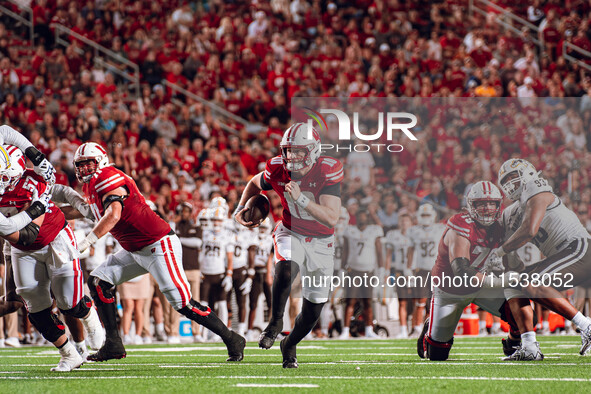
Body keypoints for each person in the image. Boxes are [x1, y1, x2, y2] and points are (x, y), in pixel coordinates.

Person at [67, 142, 245, 362]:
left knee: (182, 303)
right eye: (80, 165)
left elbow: (113, 215)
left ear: (101, 161)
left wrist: (87, 241)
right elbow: (82, 210)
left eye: (88, 164)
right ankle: (113, 344)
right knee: (99, 281)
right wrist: (48, 212)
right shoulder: (92, 185)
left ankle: (232, 338)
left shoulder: (107, 177)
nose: (84, 169)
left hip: (158, 244)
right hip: (135, 249)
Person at [235, 122, 343, 368]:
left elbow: (331, 217)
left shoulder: (328, 170)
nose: (291, 156)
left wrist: (301, 199)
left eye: (299, 151)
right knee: (287, 265)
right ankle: (275, 322)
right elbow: (254, 183)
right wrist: (241, 208)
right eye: (288, 150)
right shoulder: (276, 167)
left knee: (313, 312)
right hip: (290, 230)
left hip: (321, 240)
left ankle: (289, 343)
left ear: (313, 151)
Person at [0, 145, 104, 372]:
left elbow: (60, 193)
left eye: (2, 175)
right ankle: (68, 354)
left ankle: (88, 314)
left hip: (54, 238)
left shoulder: (33, 179)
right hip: (21, 247)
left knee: (69, 303)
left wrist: (81, 205)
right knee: (34, 306)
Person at [488, 159, 591, 358]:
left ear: (527, 174)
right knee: (513, 283)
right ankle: (529, 346)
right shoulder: (510, 213)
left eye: (513, 177)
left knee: (531, 281)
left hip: (580, 248)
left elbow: (529, 230)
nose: (510, 183)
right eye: (505, 180)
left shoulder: (536, 187)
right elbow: (509, 257)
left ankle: (586, 326)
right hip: (566, 254)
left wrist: (499, 252)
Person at [418, 181, 527, 361]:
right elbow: (461, 271)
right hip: (450, 289)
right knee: (437, 355)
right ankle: (431, 328)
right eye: (481, 203)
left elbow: (513, 261)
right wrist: (502, 281)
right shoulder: (461, 224)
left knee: (523, 313)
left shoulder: (500, 226)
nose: (487, 208)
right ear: (471, 205)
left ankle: (513, 344)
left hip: (480, 285)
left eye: (492, 203)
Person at [339, 210, 383, 339]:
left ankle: (369, 329)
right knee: (349, 301)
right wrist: (342, 268)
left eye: (363, 215)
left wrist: (381, 270)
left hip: (368, 271)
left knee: (367, 302)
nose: (361, 217)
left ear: (367, 217)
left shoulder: (374, 230)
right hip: (353, 271)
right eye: (359, 215)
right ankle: (345, 330)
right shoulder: (349, 231)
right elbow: (345, 251)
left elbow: (379, 251)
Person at [407, 204, 445, 336]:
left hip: (437, 269)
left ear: (433, 216)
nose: (425, 218)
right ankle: (417, 327)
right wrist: (408, 268)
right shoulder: (413, 231)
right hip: (421, 269)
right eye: (423, 215)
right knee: (420, 300)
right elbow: (410, 251)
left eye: (427, 215)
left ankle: (431, 326)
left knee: (436, 300)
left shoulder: (440, 229)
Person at [384, 213, 414, 338]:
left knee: (415, 301)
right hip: (399, 271)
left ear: (411, 223)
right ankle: (403, 330)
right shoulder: (393, 235)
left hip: (413, 271)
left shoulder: (415, 235)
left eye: (406, 221)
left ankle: (414, 327)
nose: (404, 223)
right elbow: (389, 255)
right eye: (402, 221)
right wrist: (386, 271)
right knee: (402, 301)